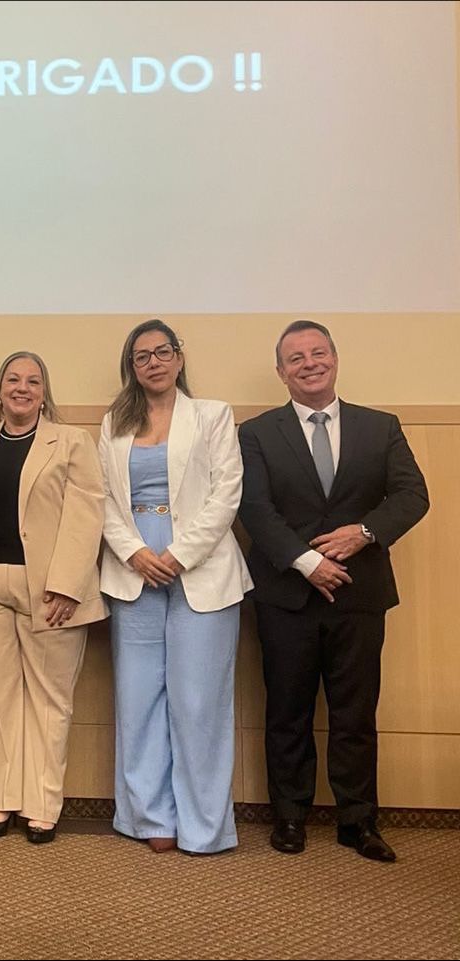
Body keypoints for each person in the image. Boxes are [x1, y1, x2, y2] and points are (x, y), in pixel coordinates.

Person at [238, 320, 428, 862]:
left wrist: (363, 532)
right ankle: (289, 816)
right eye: (296, 358)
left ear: (335, 359)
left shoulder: (380, 426)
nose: (309, 363)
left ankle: (358, 821)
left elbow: (412, 495)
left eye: (318, 353)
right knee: (287, 711)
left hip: (360, 595)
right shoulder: (256, 433)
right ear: (281, 372)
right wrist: (307, 562)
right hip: (286, 595)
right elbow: (254, 508)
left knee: (355, 714)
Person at [98, 320, 252, 854]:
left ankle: (203, 826)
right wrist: (134, 552)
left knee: (198, 703)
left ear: (179, 358)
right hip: (134, 571)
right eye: (142, 356)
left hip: (201, 571)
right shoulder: (114, 422)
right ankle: (150, 819)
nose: (154, 363)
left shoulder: (212, 414)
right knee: (138, 700)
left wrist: (180, 554)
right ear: (131, 367)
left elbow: (227, 494)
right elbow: (102, 498)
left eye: (162, 352)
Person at [0, 351, 105, 844]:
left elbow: (86, 515)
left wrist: (66, 584)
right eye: (13, 379)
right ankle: (2, 802)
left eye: (33, 381)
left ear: (44, 392)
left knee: (49, 703)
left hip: (51, 591)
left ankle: (42, 805)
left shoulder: (72, 442)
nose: (22, 388)